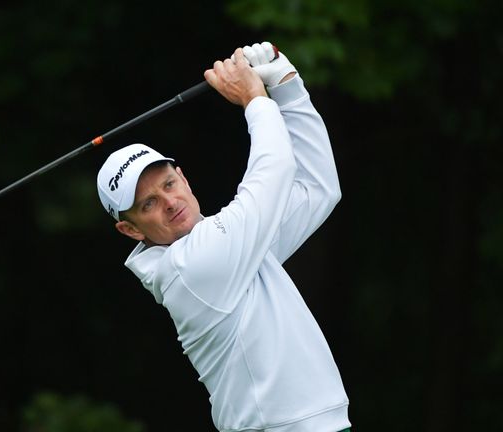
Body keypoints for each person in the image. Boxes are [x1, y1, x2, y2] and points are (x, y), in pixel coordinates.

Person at [96, 42, 351, 432]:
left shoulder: (236, 249)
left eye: (168, 183)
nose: (168, 202)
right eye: (147, 204)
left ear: (182, 176)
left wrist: (285, 84)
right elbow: (275, 170)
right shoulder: (191, 265)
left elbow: (318, 188)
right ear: (129, 229)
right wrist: (254, 98)